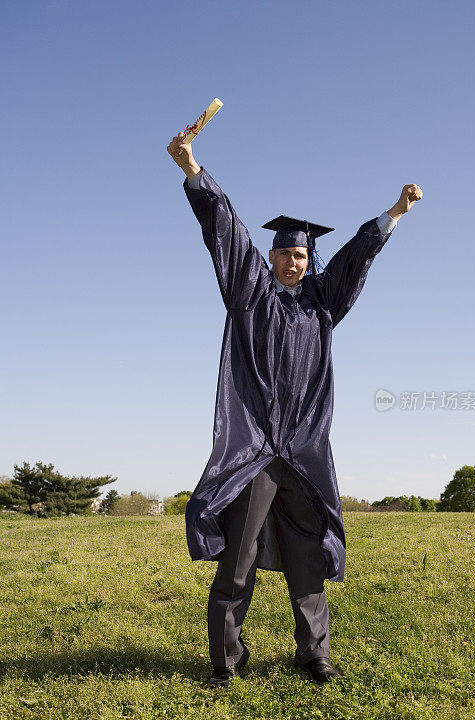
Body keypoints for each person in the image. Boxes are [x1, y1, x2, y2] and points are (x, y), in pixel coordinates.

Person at [167, 131, 422, 687]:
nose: (292, 260)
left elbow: (356, 256)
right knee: (236, 560)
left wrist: (395, 213)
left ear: (309, 261)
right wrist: (194, 171)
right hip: (253, 451)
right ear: (270, 255)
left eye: (301, 253)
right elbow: (225, 233)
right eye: (284, 251)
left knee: (307, 558)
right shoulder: (249, 292)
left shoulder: (323, 305)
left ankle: (314, 655)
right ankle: (225, 661)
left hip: (303, 452)